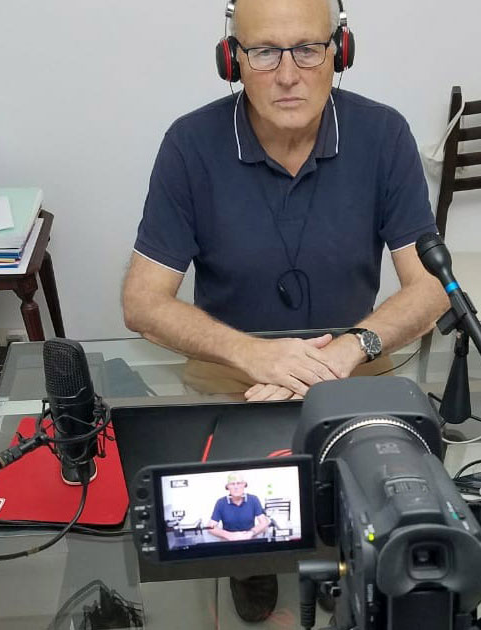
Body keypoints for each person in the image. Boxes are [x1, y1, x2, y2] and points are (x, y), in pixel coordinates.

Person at [123, 0, 449, 619]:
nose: (289, 74)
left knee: (377, 513)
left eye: (307, 48)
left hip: (353, 358)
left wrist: (349, 349)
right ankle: (252, 565)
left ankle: (352, 564)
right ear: (232, 60)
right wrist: (253, 354)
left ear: (339, 52)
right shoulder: (190, 144)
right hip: (232, 368)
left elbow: (431, 288)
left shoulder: (383, 134)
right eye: (265, 52)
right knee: (241, 520)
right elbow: (141, 302)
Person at [208, 472, 270, 541]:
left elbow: (264, 522)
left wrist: (251, 533)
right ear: (227, 487)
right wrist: (230, 535)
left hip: (250, 540)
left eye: (239, 483)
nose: (236, 487)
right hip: (229, 542)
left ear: (244, 485)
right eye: (232, 484)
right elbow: (210, 527)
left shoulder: (253, 499)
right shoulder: (221, 502)